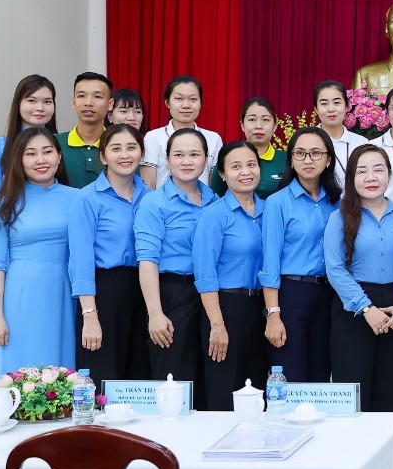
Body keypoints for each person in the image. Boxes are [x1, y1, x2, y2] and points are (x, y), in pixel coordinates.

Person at [0, 128, 79, 377]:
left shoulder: (80, 199)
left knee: (60, 373)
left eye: (47, 152)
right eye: (31, 154)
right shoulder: (3, 204)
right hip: (20, 297)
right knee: (18, 374)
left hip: (65, 296)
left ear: (59, 156)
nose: (41, 160)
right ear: (19, 160)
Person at [325, 145, 393, 412]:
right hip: (353, 308)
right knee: (354, 392)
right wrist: (365, 308)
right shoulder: (339, 217)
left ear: (389, 175)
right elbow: (335, 269)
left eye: (378, 170)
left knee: (392, 390)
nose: (371, 177)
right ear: (351, 178)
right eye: (362, 171)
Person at [68, 124, 152, 388]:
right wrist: (89, 314)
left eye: (131, 147)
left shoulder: (150, 196)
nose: (125, 155)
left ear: (141, 154)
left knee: (140, 374)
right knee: (104, 375)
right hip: (104, 292)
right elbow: (80, 260)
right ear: (103, 156)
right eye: (116, 149)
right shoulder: (88, 198)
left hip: (144, 290)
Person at [134, 128, 217, 390]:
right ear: (167, 159)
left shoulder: (214, 201)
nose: (187, 161)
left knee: (208, 375)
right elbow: (147, 261)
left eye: (195, 154)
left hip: (211, 295)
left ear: (206, 159)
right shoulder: (154, 203)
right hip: (172, 295)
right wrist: (155, 313)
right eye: (179, 155)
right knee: (174, 376)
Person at [260, 126, 340, 382]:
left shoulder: (337, 202)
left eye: (316, 153)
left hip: (329, 295)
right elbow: (270, 262)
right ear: (291, 160)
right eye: (300, 153)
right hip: (292, 295)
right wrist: (273, 314)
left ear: (328, 160)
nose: (308, 160)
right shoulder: (277, 202)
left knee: (320, 376)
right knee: (290, 375)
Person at [192, 141, 268, 410]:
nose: (245, 172)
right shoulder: (214, 215)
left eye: (251, 164)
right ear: (223, 175)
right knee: (224, 389)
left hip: (262, 308)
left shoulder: (270, 210)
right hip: (226, 307)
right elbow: (205, 274)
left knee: (258, 390)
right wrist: (217, 325)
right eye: (236, 167)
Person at [0, 74, 59, 208]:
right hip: (13, 219)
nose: (40, 108)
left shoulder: (60, 142)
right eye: (32, 101)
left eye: (47, 102)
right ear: (18, 103)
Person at [141, 75, 224, 189]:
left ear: (200, 103)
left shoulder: (213, 139)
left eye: (193, 99)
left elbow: (215, 185)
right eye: (179, 99)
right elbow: (148, 185)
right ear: (167, 103)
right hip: (163, 200)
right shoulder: (153, 137)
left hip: (202, 200)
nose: (186, 105)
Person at [210, 97, 287, 199]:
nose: (259, 126)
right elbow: (215, 199)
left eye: (265, 120)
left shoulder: (287, 159)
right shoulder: (228, 158)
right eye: (252, 120)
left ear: (275, 126)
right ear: (242, 125)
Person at [58, 72, 113, 189]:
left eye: (97, 97)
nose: (88, 103)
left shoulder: (118, 146)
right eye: (81, 96)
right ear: (73, 102)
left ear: (110, 104)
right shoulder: (54, 143)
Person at [314, 80, 368, 190]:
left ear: (347, 106)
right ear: (316, 109)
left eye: (337, 103)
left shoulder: (362, 143)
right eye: (324, 104)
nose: (331, 109)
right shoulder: (307, 141)